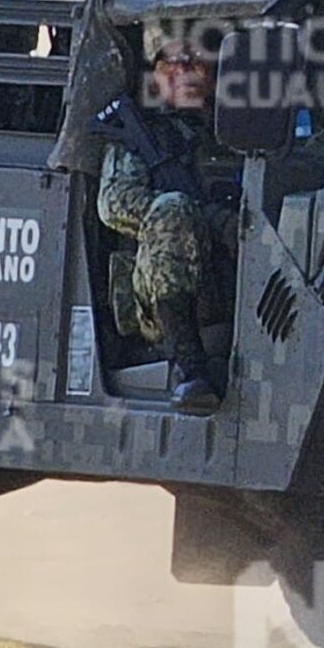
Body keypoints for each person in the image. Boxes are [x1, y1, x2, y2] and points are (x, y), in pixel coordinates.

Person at [94, 23, 239, 413]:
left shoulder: (238, 131)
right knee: (172, 209)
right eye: (168, 62)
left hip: (234, 282)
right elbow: (116, 204)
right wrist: (210, 219)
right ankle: (187, 366)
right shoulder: (143, 136)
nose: (182, 69)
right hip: (162, 296)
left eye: (193, 59)